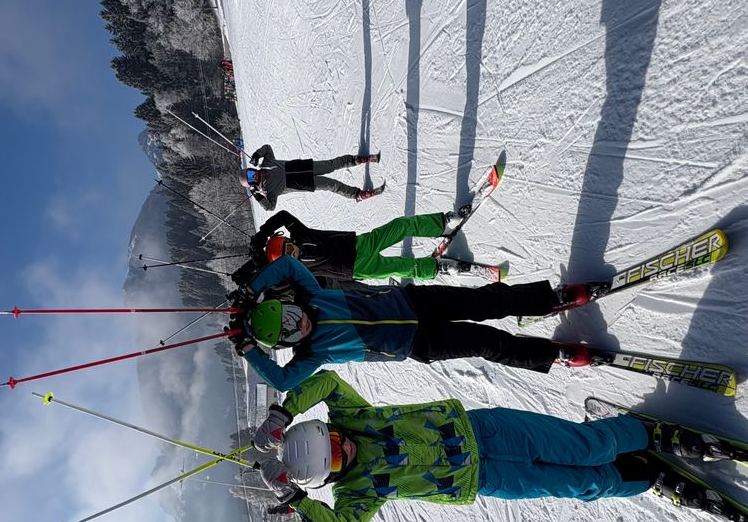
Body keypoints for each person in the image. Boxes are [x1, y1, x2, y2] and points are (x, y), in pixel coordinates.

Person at [246, 371, 724, 522]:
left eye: (330, 437)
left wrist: (284, 409)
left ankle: (648, 433)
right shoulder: (360, 490)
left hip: (485, 429)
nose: (341, 447)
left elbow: (326, 380)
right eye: (331, 459)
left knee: (584, 448)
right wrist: (296, 502)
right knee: (582, 485)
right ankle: (642, 477)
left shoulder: (358, 418)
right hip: (486, 478)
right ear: (327, 479)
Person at [228, 255, 590, 392]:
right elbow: (282, 381)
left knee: (489, 301)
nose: (299, 324)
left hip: (416, 301)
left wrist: (250, 289)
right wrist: (248, 351)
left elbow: (288, 266)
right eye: (289, 332)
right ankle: (551, 354)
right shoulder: (312, 354)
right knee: (488, 343)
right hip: (417, 343)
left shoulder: (312, 296)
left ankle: (548, 299)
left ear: (287, 303)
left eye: (289, 315)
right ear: (286, 345)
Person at [231, 206, 477, 285]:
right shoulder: (295, 272)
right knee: (402, 268)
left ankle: (442, 223)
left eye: (286, 245)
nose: (291, 251)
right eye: (286, 254)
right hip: (356, 269)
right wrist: (253, 265)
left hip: (360, 243)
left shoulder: (301, 233)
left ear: (286, 239)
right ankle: (438, 268)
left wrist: (262, 234)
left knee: (400, 226)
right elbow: (262, 276)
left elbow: (283, 215)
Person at [243, 143, 382, 210]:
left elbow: (267, 148)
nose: (253, 175)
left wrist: (256, 155)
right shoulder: (268, 191)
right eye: (250, 178)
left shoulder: (266, 164)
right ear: (251, 184)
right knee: (333, 185)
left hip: (306, 166)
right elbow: (270, 207)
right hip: (306, 182)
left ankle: (358, 160)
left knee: (331, 164)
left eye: (250, 172)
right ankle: (358, 195)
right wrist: (258, 196)